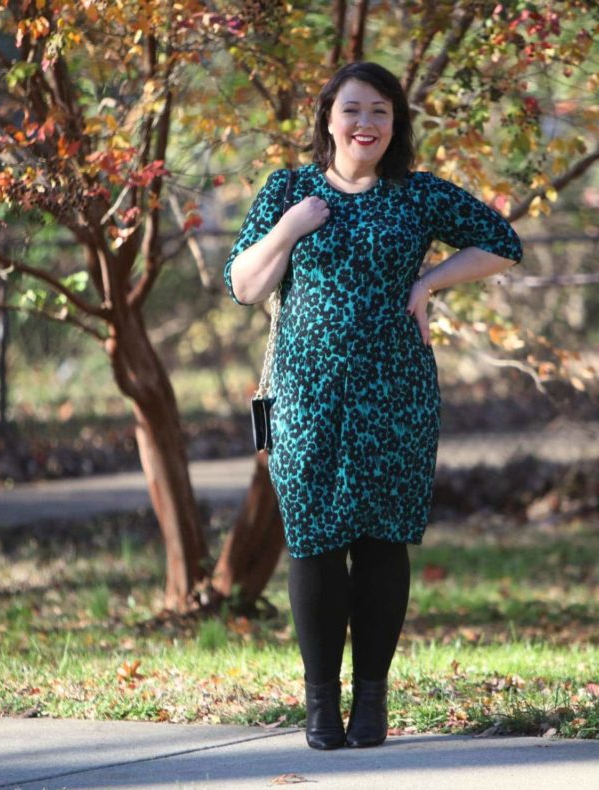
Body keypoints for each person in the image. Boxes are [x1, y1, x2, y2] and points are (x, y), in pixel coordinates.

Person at [223, 61, 522, 750]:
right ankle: (321, 704)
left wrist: (432, 281)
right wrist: (292, 228)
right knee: (315, 541)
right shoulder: (289, 191)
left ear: (396, 123)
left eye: (381, 112)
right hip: (305, 396)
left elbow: (504, 245)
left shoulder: (415, 195)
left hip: (397, 393)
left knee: (383, 540)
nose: (366, 124)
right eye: (353, 109)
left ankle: (373, 701)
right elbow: (242, 285)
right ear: (328, 117)